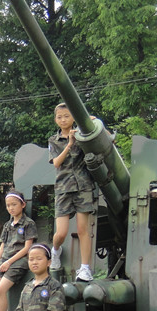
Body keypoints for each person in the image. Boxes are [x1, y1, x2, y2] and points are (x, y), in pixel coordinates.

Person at [49, 103, 96, 281]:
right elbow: (56, 163)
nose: (63, 120)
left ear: (73, 118)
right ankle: (55, 251)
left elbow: (106, 138)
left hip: (83, 187)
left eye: (67, 116)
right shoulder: (53, 140)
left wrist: (93, 123)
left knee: (83, 230)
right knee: (61, 233)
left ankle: (85, 268)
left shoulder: (82, 135)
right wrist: (69, 144)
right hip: (63, 189)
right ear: (55, 119)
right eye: (59, 117)